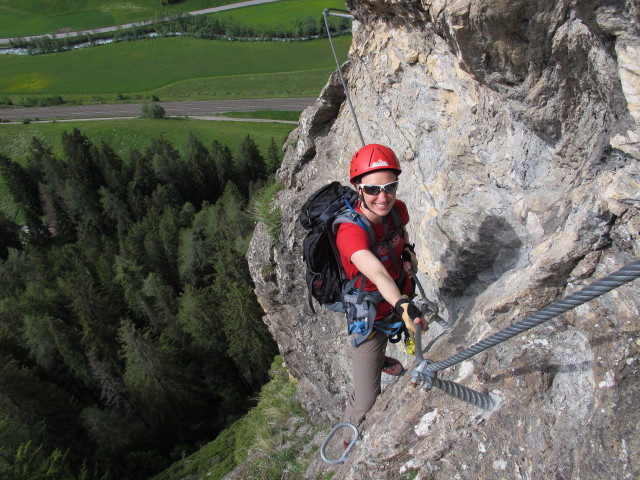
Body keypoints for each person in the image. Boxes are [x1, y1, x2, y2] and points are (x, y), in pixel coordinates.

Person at [336, 143, 429, 445]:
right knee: (366, 400)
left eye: (390, 187)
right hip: (372, 315)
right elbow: (375, 272)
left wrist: (408, 254)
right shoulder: (350, 231)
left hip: (400, 296)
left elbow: (401, 237)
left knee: (413, 330)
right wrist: (403, 303)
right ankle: (349, 442)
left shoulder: (397, 210)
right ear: (357, 188)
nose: (383, 197)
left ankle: (389, 354)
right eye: (373, 189)